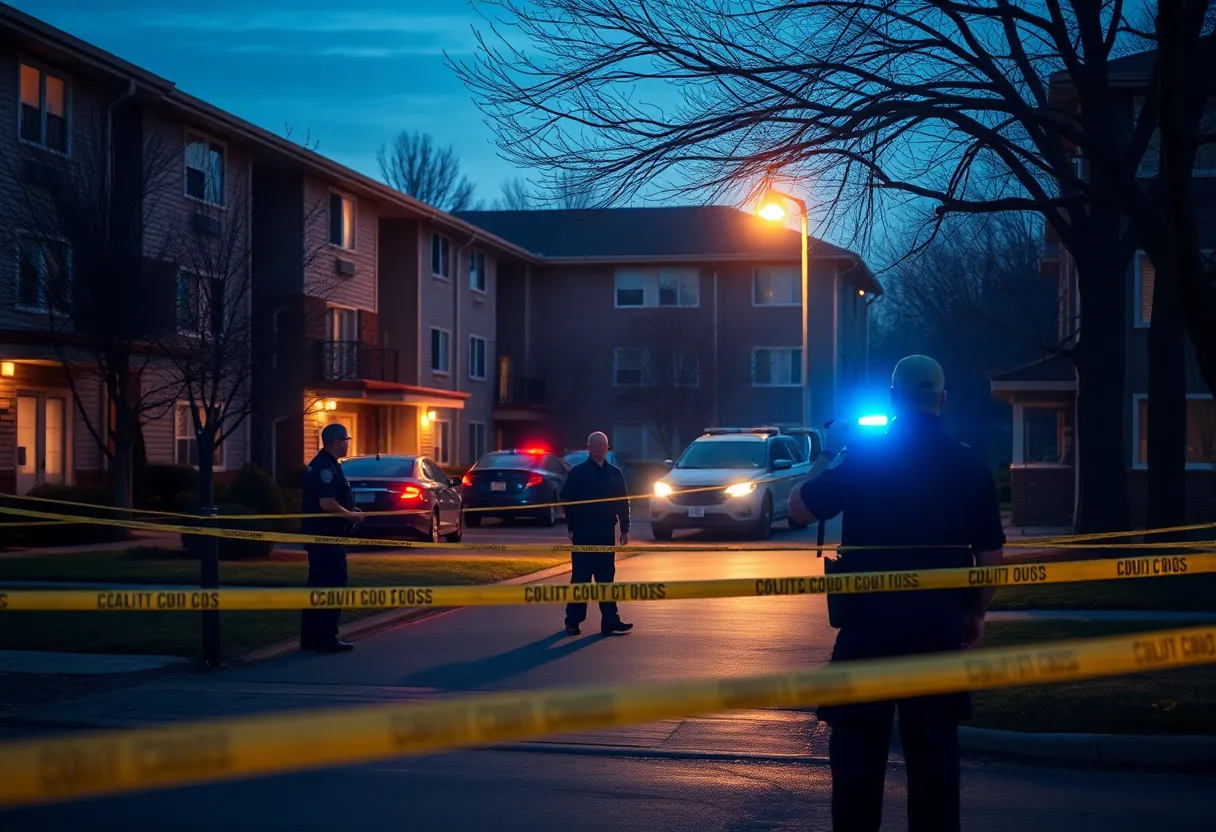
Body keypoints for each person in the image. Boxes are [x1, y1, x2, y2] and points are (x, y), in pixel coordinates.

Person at [789, 355, 1006, 832]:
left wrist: (830, 451)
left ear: (892, 399)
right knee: (934, 766)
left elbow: (799, 508)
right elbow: (990, 555)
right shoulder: (969, 464)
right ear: (942, 400)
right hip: (937, 631)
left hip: (867, 632)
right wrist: (975, 613)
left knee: (856, 762)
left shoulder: (866, 458)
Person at [299, 422, 364, 653]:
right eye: (346, 440)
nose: (348, 444)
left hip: (322, 536)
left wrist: (349, 512)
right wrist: (351, 516)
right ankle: (327, 638)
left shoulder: (327, 464)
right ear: (335, 442)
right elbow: (326, 503)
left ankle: (310, 638)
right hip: (326, 537)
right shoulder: (324, 467)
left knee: (317, 585)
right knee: (333, 583)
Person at [560, 431, 633, 636]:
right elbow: (567, 499)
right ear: (589, 447)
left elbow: (623, 502)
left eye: (603, 445)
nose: (600, 448)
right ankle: (573, 621)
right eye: (596, 445)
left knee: (606, 577)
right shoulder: (578, 472)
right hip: (584, 532)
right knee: (581, 578)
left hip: (606, 532)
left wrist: (624, 529)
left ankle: (610, 620)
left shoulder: (615, 473)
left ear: (607, 447)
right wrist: (572, 527)